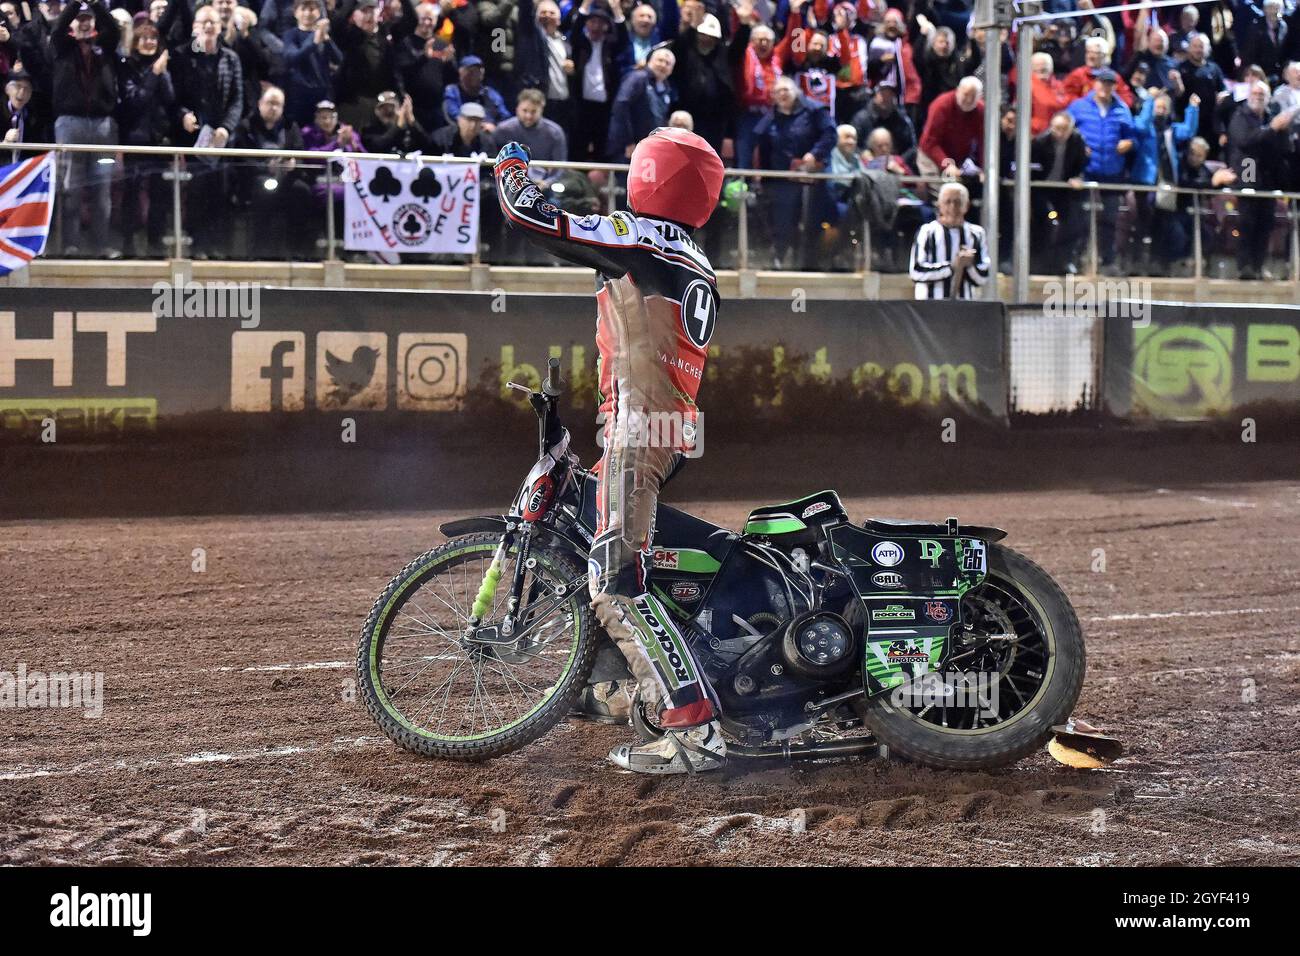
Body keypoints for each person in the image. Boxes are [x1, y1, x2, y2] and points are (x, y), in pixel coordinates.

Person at [494, 127, 728, 774]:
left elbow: (530, 216)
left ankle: (693, 728)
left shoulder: (646, 237)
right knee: (582, 537)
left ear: (650, 174)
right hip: (659, 428)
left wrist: (512, 163)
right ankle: (606, 690)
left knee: (615, 580)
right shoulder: (692, 254)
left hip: (637, 429)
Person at [51, 0, 120, 257]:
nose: (84, 22)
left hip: (103, 126)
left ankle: (101, 245)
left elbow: (113, 30)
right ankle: (71, 245)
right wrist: (74, 5)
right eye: (79, 18)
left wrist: (94, 5)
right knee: (71, 189)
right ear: (72, 22)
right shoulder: (62, 46)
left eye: (87, 18)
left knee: (102, 191)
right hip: (70, 124)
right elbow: (58, 29)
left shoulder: (104, 46)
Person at [755, 75, 836, 269]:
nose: (782, 94)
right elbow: (762, 147)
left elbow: (830, 134)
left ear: (796, 92)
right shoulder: (770, 118)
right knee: (782, 222)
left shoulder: (815, 110)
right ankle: (779, 260)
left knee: (812, 222)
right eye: (778, 91)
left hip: (813, 177)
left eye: (786, 90)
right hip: (782, 179)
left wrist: (814, 154)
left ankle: (811, 263)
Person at [1067, 68, 1134, 275]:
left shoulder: (1122, 109)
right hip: (1087, 169)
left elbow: (1131, 135)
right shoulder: (1079, 107)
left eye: (1109, 84)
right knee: (1081, 217)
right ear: (1094, 84)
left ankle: (1108, 261)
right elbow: (1067, 131)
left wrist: (1128, 142)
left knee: (1110, 219)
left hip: (1112, 171)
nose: (1105, 87)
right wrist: (1078, 147)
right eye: (1101, 83)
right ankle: (1076, 258)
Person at [1227, 80, 1295, 279]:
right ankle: (1244, 266)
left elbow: (1285, 147)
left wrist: (1282, 131)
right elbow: (1245, 141)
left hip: (1268, 178)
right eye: (1255, 93)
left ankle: (1259, 265)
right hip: (1248, 174)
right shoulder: (1240, 116)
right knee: (1247, 222)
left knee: (1265, 224)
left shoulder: (1270, 117)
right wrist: (1272, 130)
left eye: (1262, 94)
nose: (1258, 97)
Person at [1030, 110, 1088, 273]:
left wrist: (1077, 178)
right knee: (1046, 221)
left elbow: (1080, 165)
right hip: (1042, 189)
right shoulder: (1040, 142)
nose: (1060, 133)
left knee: (1071, 223)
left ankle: (1065, 261)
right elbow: (1033, 167)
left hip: (1064, 190)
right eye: (1056, 128)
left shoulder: (1077, 141)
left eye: (1064, 129)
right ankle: (1039, 262)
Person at [908, 180, 989, 299]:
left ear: (966, 206)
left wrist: (969, 265)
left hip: (965, 307)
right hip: (931, 308)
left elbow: (983, 277)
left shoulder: (977, 233)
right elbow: (916, 272)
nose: (952, 207)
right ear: (939, 205)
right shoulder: (927, 232)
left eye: (957, 202)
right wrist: (951, 267)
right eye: (947, 202)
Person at [281, 0, 344, 128]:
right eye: (303, 9)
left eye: (312, 9)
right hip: (300, 95)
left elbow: (338, 59)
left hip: (322, 92)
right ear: (295, 13)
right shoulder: (291, 35)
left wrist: (326, 39)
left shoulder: (323, 36)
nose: (307, 13)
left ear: (319, 12)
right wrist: (314, 41)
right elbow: (292, 58)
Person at [606, 46, 673, 159]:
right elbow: (621, 106)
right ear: (650, 61)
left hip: (649, 149)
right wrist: (628, 142)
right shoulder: (637, 78)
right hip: (628, 148)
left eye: (667, 63)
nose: (663, 65)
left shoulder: (666, 89)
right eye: (660, 60)